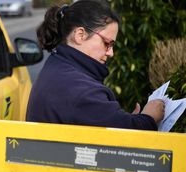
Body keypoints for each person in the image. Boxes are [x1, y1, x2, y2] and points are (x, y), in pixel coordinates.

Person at [26, 0, 164, 130]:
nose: (111, 53)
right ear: (80, 35)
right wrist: (149, 117)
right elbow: (120, 134)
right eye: (107, 43)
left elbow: (99, 120)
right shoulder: (81, 90)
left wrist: (125, 120)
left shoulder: (59, 67)